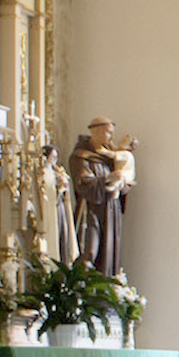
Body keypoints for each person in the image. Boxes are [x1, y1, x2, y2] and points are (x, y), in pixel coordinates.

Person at [69, 117, 137, 275]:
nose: (112, 137)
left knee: (110, 250)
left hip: (111, 210)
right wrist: (107, 179)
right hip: (91, 210)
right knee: (91, 250)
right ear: (95, 131)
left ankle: (107, 285)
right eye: (108, 132)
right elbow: (82, 183)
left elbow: (122, 184)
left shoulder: (109, 156)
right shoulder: (81, 156)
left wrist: (123, 185)